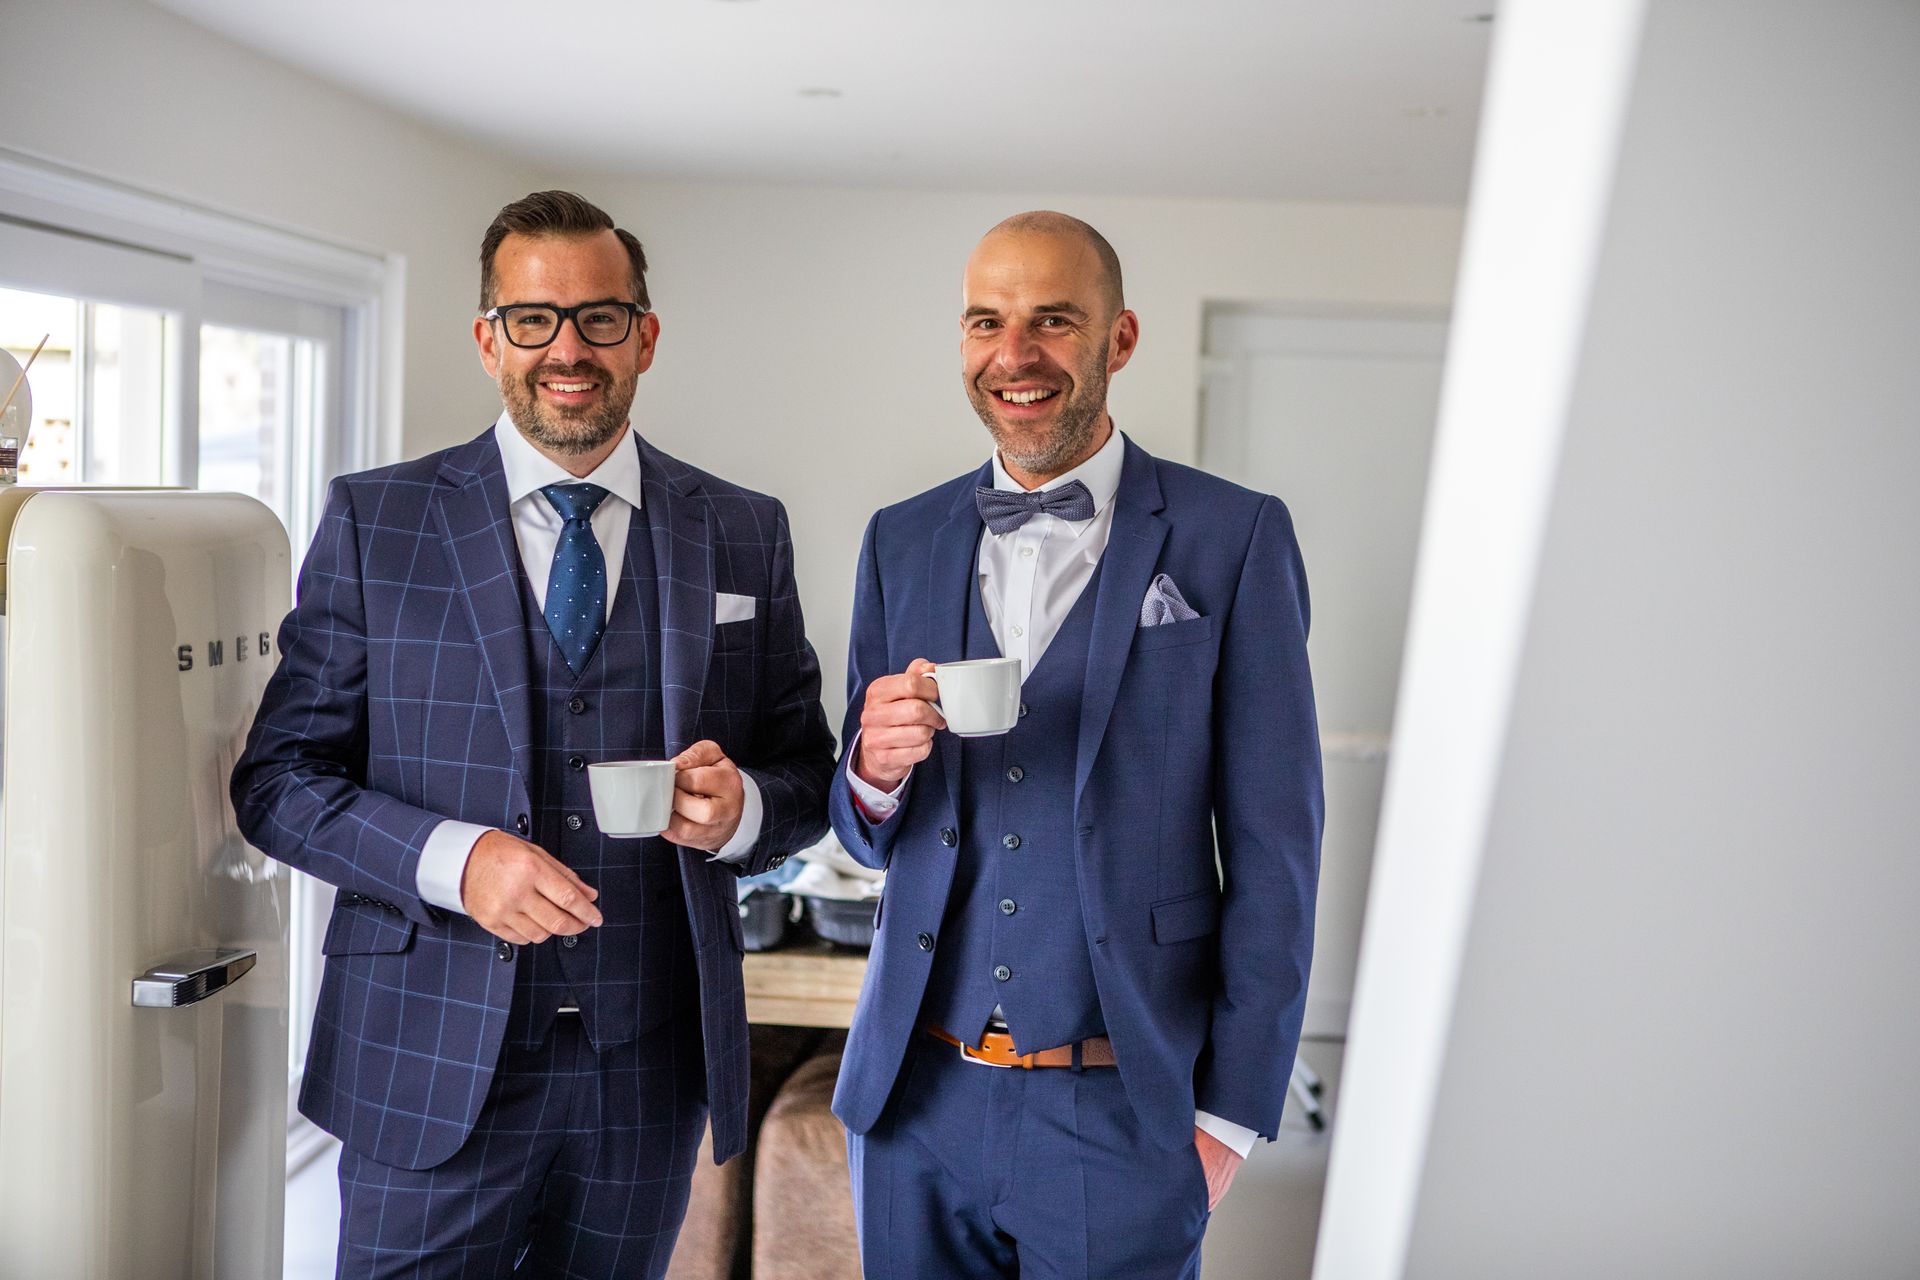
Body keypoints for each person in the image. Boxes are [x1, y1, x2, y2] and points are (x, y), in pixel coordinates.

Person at [232, 190, 836, 1277]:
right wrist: (455, 860)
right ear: (488, 339)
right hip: (423, 1054)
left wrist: (746, 808)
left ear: (644, 335)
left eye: (600, 317)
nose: (568, 349)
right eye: (532, 319)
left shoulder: (746, 528)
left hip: (644, 1072)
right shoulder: (379, 521)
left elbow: (805, 769)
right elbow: (277, 781)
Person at [828, 212, 1323, 1278]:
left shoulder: (1232, 536)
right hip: (915, 1104)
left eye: (1052, 321)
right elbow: (864, 833)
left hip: (1122, 1115)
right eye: (986, 323)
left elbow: (1277, 846)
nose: (1015, 354)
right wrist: (871, 770)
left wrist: (1230, 1116)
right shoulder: (898, 540)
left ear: (1120, 338)